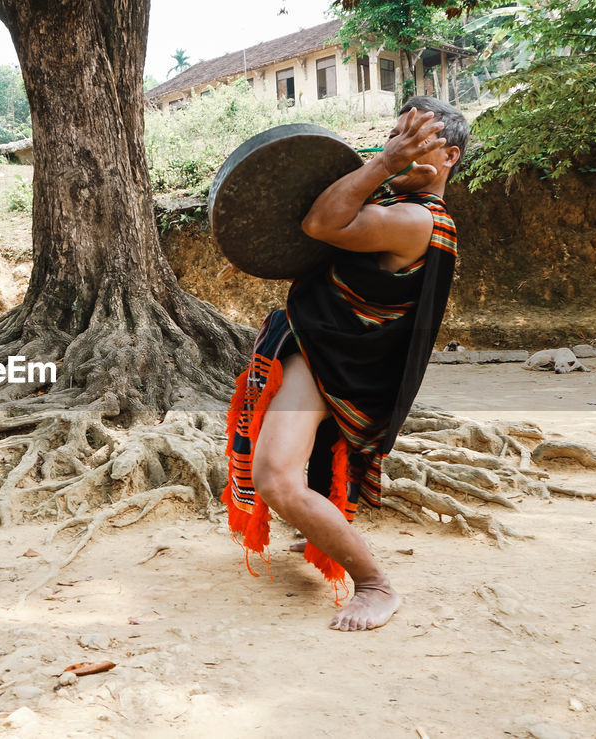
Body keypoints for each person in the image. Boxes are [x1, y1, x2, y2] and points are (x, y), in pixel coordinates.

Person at [222, 97, 468, 632]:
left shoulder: (415, 219)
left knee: (275, 478)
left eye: (415, 141)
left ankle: (377, 584)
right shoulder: (387, 200)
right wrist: (382, 168)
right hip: (321, 351)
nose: (397, 149)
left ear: (448, 156)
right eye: (393, 136)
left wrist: (380, 164)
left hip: (332, 363)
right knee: (291, 476)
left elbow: (319, 222)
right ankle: (322, 532)